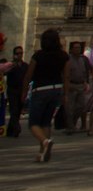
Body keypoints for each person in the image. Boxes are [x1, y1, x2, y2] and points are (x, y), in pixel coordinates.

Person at [23, 28, 70, 162]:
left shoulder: (38, 55)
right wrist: (65, 94)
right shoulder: (64, 56)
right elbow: (66, 76)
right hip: (56, 89)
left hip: (40, 90)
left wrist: (24, 92)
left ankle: (44, 141)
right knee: (46, 122)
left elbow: (28, 75)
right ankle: (42, 153)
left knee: (33, 123)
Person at [64, 40, 91, 132]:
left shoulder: (82, 59)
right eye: (76, 48)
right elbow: (64, 74)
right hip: (71, 84)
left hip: (80, 85)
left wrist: (85, 82)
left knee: (82, 106)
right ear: (71, 49)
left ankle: (73, 122)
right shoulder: (68, 60)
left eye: (79, 47)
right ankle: (70, 126)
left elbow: (85, 72)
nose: (78, 49)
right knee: (70, 107)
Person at [4, 45, 27, 138]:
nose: (20, 55)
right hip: (12, 90)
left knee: (17, 111)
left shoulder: (25, 65)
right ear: (14, 55)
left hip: (21, 90)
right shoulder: (10, 65)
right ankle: (17, 127)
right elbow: (4, 72)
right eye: (17, 53)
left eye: (21, 53)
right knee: (13, 109)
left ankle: (10, 130)